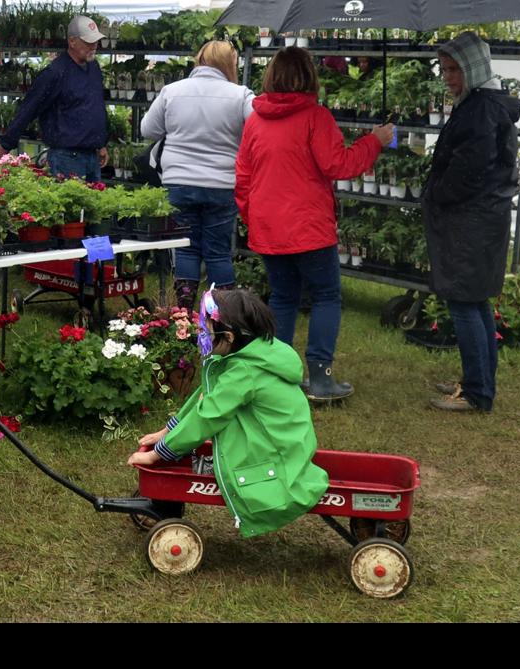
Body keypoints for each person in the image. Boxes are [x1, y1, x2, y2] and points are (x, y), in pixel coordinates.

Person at [235, 46, 390, 402]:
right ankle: (321, 378)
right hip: (309, 227)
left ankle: (281, 376)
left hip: (269, 226)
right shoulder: (315, 118)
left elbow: (242, 178)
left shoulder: (255, 121)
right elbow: (339, 165)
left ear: (271, 76)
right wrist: (374, 142)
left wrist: (253, 218)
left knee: (284, 298)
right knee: (325, 296)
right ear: (310, 78)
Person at [129, 288, 328, 539]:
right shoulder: (254, 353)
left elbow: (208, 416)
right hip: (285, 443)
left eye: (205, 330)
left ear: (229, 336)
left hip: (277, 454)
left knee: (223, 443)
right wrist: (166, 432)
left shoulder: (243, 371)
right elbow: (203, 397)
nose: (200, 335)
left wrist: (159, 455)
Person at [421, 33, 520, 414]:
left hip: (471, 221)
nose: (446, 77)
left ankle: (478, 392)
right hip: (480, 219)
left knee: (465, 303)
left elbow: (468, 171)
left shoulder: (480, 109)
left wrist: (436, 194)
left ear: (473, 68)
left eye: (453, 70)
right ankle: (479, 379)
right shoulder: (483, 103)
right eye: (444, 69)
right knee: (473, 302)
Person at [139, 40, 252, 309]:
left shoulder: (172, 91)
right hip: (222, 184)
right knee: (218, 253)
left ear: (199, 60)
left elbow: (147, 130)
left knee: (186, 247)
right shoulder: (241, 95)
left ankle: (184, 315)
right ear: (230, 64)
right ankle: (224, 317)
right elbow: (259, 129)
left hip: (179, 181)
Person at [0, 14, 107, 180]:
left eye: (96, 41)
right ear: (72, 41)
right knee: (71, 204)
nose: (94, 46)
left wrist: (101, 144)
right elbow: (30, 108)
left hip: (91, 156)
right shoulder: (55, 73)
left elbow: (96, 106)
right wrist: (6, 144)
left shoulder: (94, 68)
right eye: (88, 42)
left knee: (95, 205)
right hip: (67, 157)